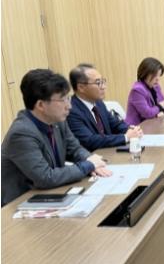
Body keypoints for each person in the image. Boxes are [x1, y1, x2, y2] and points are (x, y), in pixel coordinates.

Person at [1, 69, 111, 206]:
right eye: (62, 99)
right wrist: (88, 165)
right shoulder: (21, 133)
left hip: (52, 194)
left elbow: (75, 149)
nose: (69, 106)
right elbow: (46, 177)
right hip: (21, 204)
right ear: (41, 105)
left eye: (68, 98)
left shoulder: (58, 121)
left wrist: (91, 160)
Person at [67, 63, 143, 151]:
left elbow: (115, 124)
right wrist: (125, 137)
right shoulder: (71, 111)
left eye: (103, 82)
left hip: (109, 152)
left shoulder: (98, 103)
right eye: (98, 83)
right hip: (92, 156)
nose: (103, 87)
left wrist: (131, 129)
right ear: (81, 87)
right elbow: (90, 141)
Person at [125, 57, 164, 124]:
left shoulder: (155, 86)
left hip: (152, 124)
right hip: (137, 127)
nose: (158, 79)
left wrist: (160, 109)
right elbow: (147, 113)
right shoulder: (137, 90)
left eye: (159, 75)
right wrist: (159, 107)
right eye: (155, 75)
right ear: (145, 74)